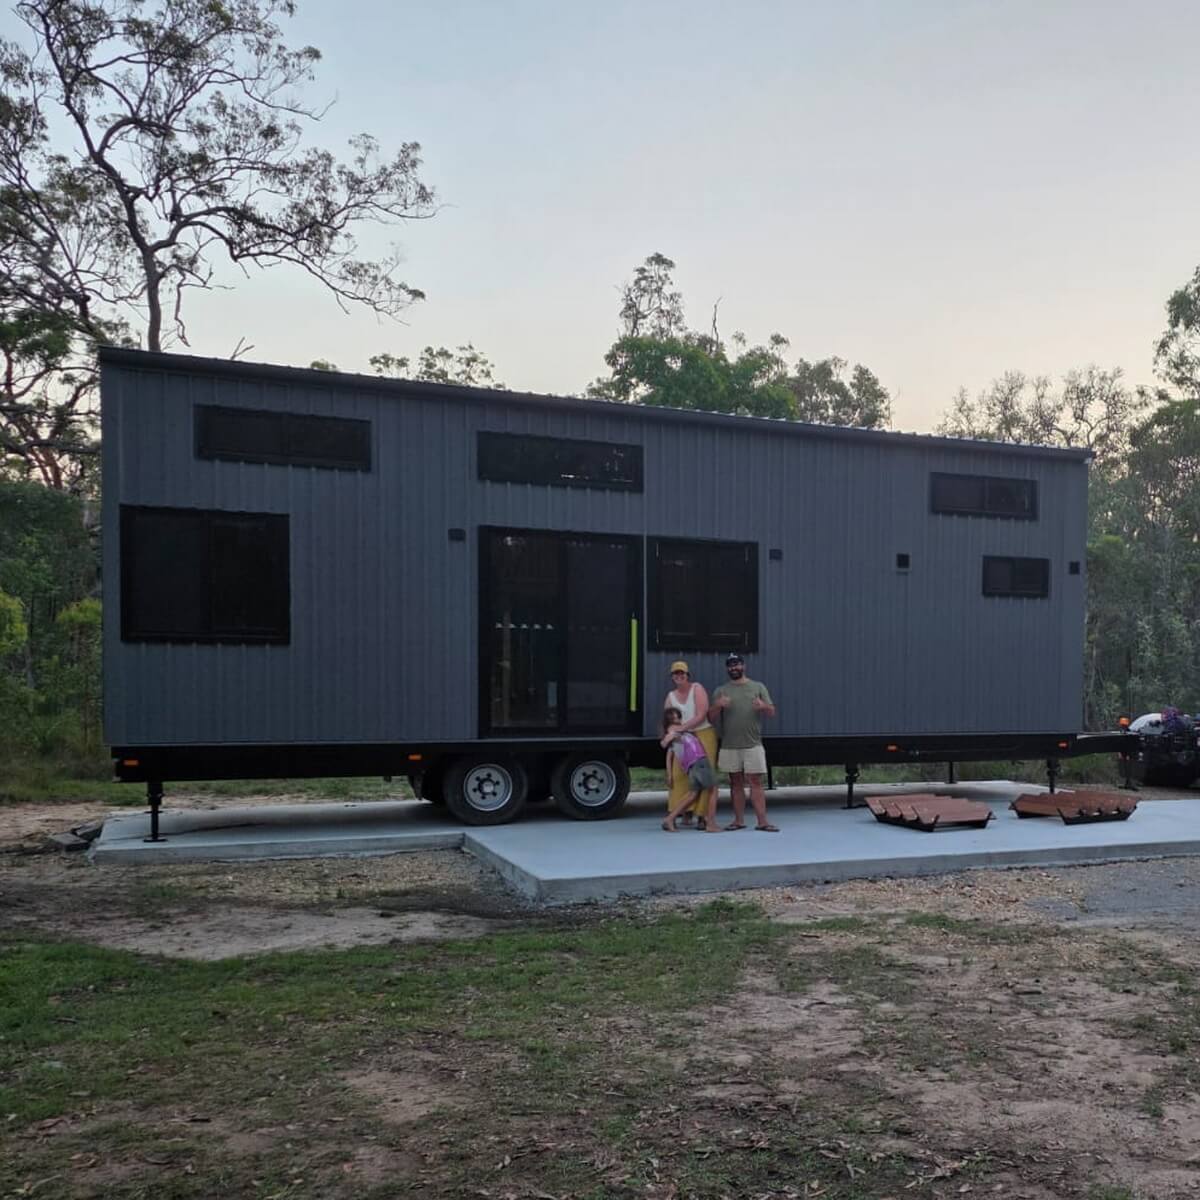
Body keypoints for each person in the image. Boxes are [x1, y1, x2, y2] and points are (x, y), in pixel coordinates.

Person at [710, 653, 778, 831]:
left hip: (753, 744)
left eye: (737, 664)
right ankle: (738, 821)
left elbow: (772, 711)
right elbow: (710, 717)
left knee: (756, 782)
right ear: (727, 668)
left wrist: (763, 706)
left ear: (743, 666)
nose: (734, 668)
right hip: (729, 745)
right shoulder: (721, 690)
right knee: (735, 783)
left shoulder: (758, 686)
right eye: (730, 665)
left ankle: (762, 821)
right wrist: (718, 705)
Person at [662, 660, 718, 828]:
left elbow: (701, 715)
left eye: (682, 673)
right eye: (676, 674)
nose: (679, 676)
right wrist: (672, 734)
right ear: (672, 677)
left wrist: (678, 730)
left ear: (688, 675)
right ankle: (682, 813)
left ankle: (703, 816)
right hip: (682, 739)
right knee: (680, 775)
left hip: (703, 733)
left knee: (706, 776)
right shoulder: (670, 697)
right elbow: (667, 722)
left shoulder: (697, 688)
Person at [660, 706, 720, 833]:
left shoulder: (681, 733)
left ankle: (669, 819)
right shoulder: (674, 731)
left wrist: (669, 774)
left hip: (692, 767)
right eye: (673, 718)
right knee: (713, 789)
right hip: (699, 763)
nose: (677, 721)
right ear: (668, 722)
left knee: (692, 795)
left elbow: (669, 753)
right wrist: (668, 737)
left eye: (678, 716)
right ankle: (710, 823)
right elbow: (665, 743)